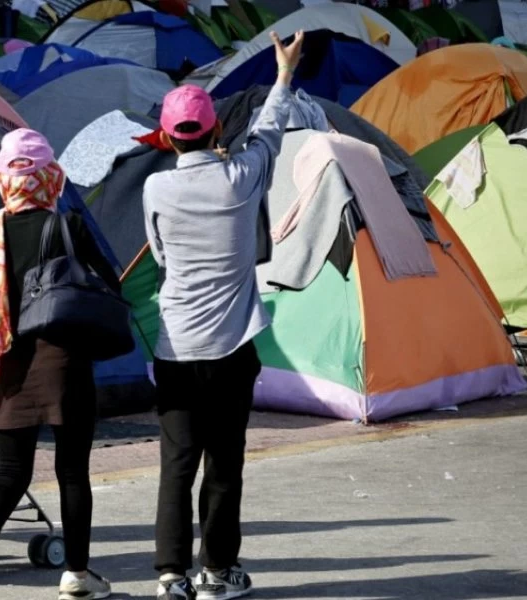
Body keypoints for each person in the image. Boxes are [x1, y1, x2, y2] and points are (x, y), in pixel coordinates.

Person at [141, 31, 305, 600]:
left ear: (166, 137)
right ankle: (217, 572)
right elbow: (269, 129)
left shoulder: (156, 188)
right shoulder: (241, 176)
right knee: (224, 465)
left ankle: (170, 575)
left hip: (176, 350)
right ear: (215, 130)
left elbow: (161, 257)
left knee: (176, 466)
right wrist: (284, 74)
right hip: (233, 349)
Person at [0, 129, 123, 600]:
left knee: (11, 472)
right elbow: (111, 285)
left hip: (12, 365)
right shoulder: (69, 226)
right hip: (64, 363)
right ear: (50, 175)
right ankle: (78, 576)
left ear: (4, 179)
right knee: (71, 471)